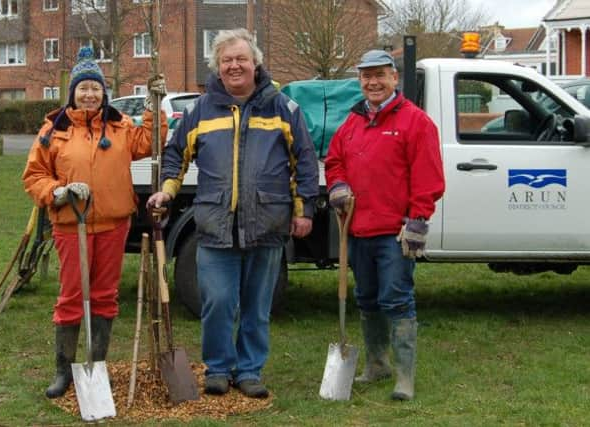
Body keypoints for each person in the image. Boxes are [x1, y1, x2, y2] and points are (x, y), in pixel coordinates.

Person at [147, 28, 318, 398]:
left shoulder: (283, 108)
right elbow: (175, 154)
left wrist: (303, 209)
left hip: (267, 225)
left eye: (241, 59)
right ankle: (219, 368)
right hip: (214, 225)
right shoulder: (200, 111)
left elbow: (304, 161)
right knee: (218, 303)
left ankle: (250, 370)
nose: (234, 66)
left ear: (256, 63)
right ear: (218, 67)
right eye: (227, 60)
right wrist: (167, 189)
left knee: (258, 306)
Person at [22, 46, 167, 399]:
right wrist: (58, 191)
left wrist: (154, 106)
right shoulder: (53, 130)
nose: (89, 95)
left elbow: (152, 142)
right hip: (72, 227)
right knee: (72, 295)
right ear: (73, 92)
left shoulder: (119, 126)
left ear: (105, 93)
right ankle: (64, 371)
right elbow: (34, 175)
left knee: (104, 296)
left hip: (113, 226)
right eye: (83, 88)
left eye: (96, 89)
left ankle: (96, 366)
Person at [324, 49, 445, 401]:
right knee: (367, 298)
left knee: (396, 299)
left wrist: (418, 220)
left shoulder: (415, 121)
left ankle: (404, 378)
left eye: (380, 75)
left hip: (395, 232)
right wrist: (338, 185)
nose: (373, 82)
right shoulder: (352, 123)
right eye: (366, 76)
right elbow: (335, 162)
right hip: (357, 230)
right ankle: (377, 365)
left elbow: (429, 177)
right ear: (359, 81)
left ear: (394, 78)